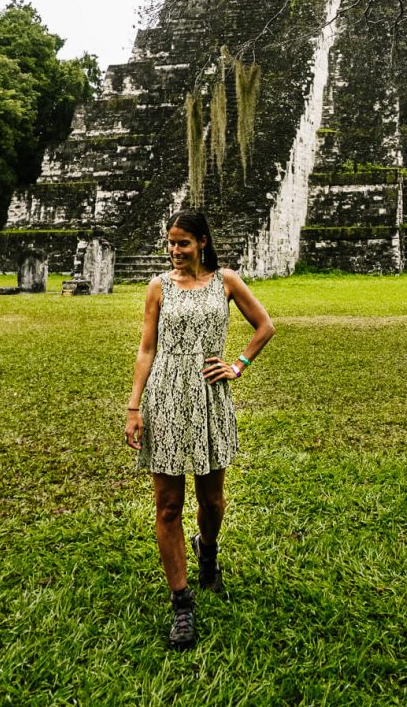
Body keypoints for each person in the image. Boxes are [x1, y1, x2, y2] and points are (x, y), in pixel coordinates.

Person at [124, 208, 275, 650]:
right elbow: (146, 348)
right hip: (164, 397)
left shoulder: (225, 281)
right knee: (168, 504)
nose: (175, 251)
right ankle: (182, 602)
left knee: (211, 499)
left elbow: (265, 326)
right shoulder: (158, 287)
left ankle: (207, 550)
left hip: (209, 396)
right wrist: (134, 407)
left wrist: (238, 364)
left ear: (202, 242)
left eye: (183, 243)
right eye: (170, 243)